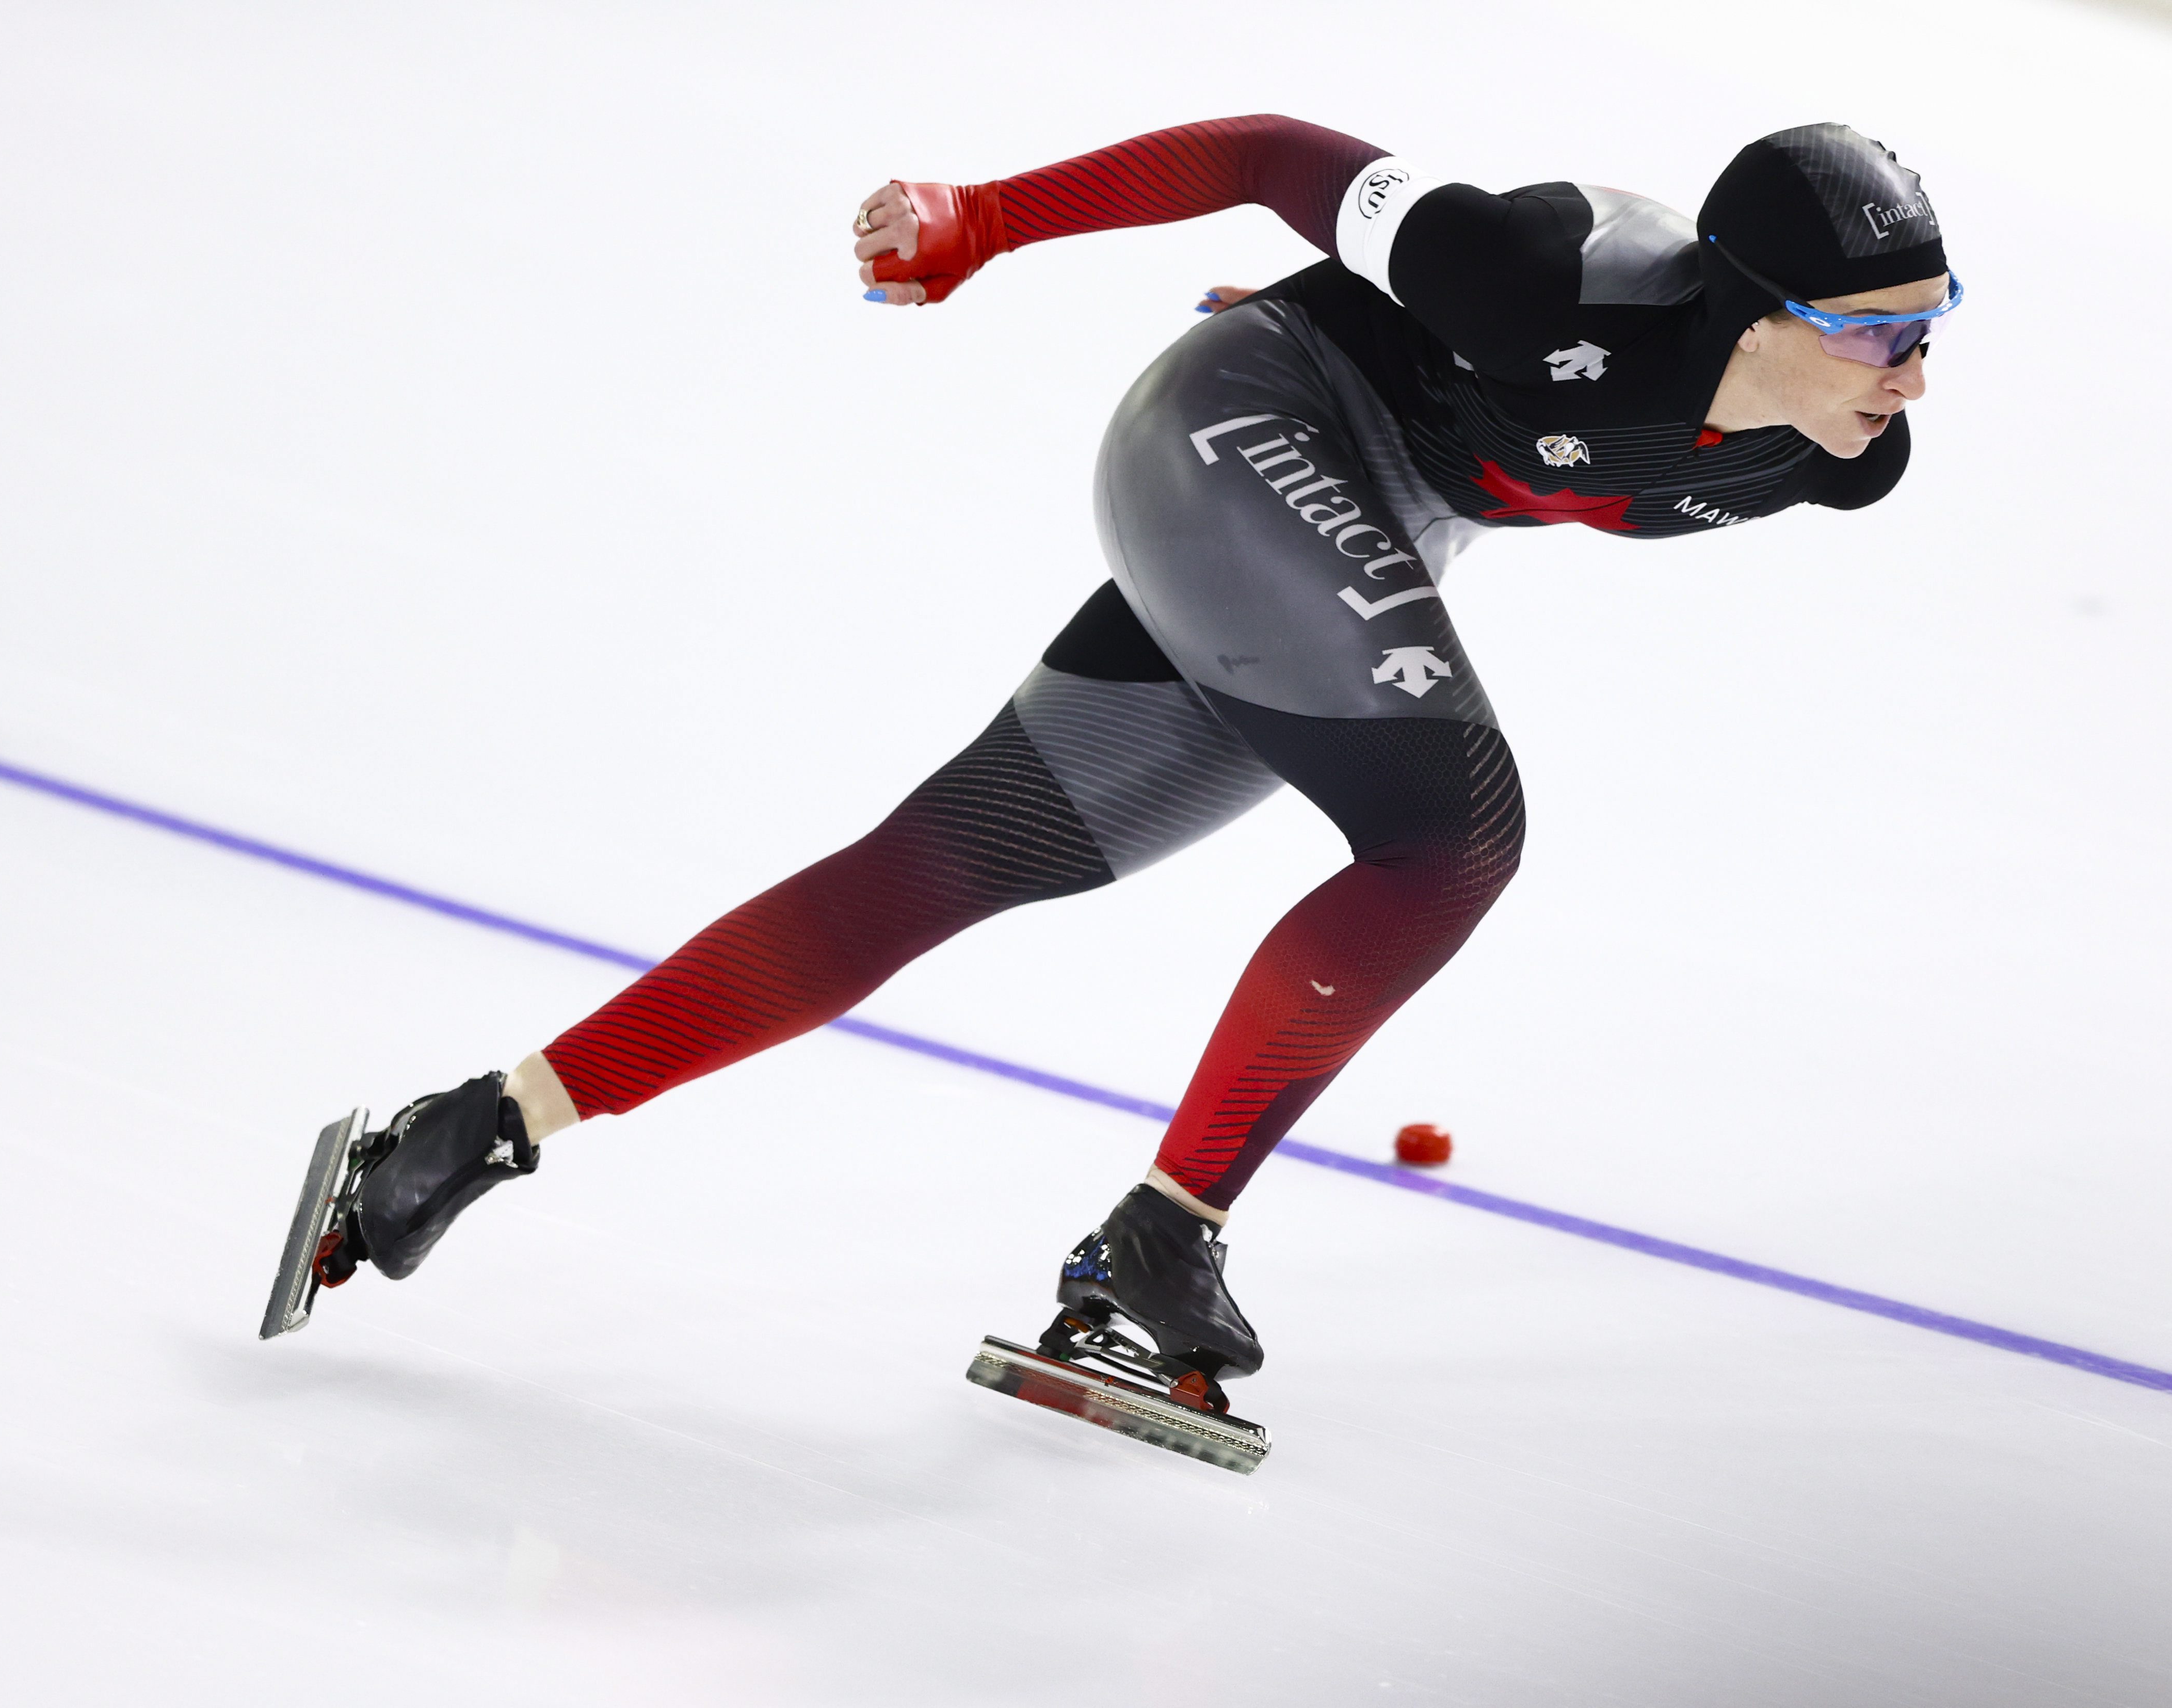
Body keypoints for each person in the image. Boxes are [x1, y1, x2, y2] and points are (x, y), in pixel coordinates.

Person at [316, 115, 1956, 1407]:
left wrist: (1413, 409)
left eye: (1933, 325)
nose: (1917, 375)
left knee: (944, 863)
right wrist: (982, 219)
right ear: (1753, 308)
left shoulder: (1832, 457)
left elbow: (1535, 453)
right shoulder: (1536, 266)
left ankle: (470, 1132)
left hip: (1361, 520)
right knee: (1456, 834)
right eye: (1883, 335)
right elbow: (1264, 153)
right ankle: (1164, 1239)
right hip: (1249, 424)